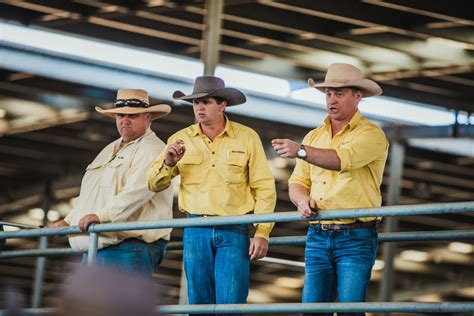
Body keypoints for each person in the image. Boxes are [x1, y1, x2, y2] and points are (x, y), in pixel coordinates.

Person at [147, 76, 276, 313]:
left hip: (234, 227)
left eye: (205, 102)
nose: (199, 108)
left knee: (231, 302)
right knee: (198, 303)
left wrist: (262, 232)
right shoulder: (180, 139)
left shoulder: (247, 137)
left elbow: (264, 186)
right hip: (196, 228)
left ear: (222, 105)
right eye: (195, 103)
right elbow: (154, 184)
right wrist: (168, 162)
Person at [272, 63, 389, 316]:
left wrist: (300, 151)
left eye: (339, 93)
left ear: (358, 96)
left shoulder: (371, 134)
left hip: (355, 235)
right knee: (313, 310)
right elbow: (297, 182)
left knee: (348, 310)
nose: (331, 100)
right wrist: (301, 201)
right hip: (318, 233)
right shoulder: (315, 136)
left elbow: (341, 160)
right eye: (328, 94)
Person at [53, 88, 174, 276]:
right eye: (120, 115)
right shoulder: (110, 148)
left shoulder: (152, 149)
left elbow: (136, 193)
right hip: (101, 243)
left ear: (148, 118)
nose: (125, 120)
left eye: (132, 116)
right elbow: (94, 193)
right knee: (97, 305)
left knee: (118, 305)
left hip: (127, 246)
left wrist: (102, 216)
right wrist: (69, 219)